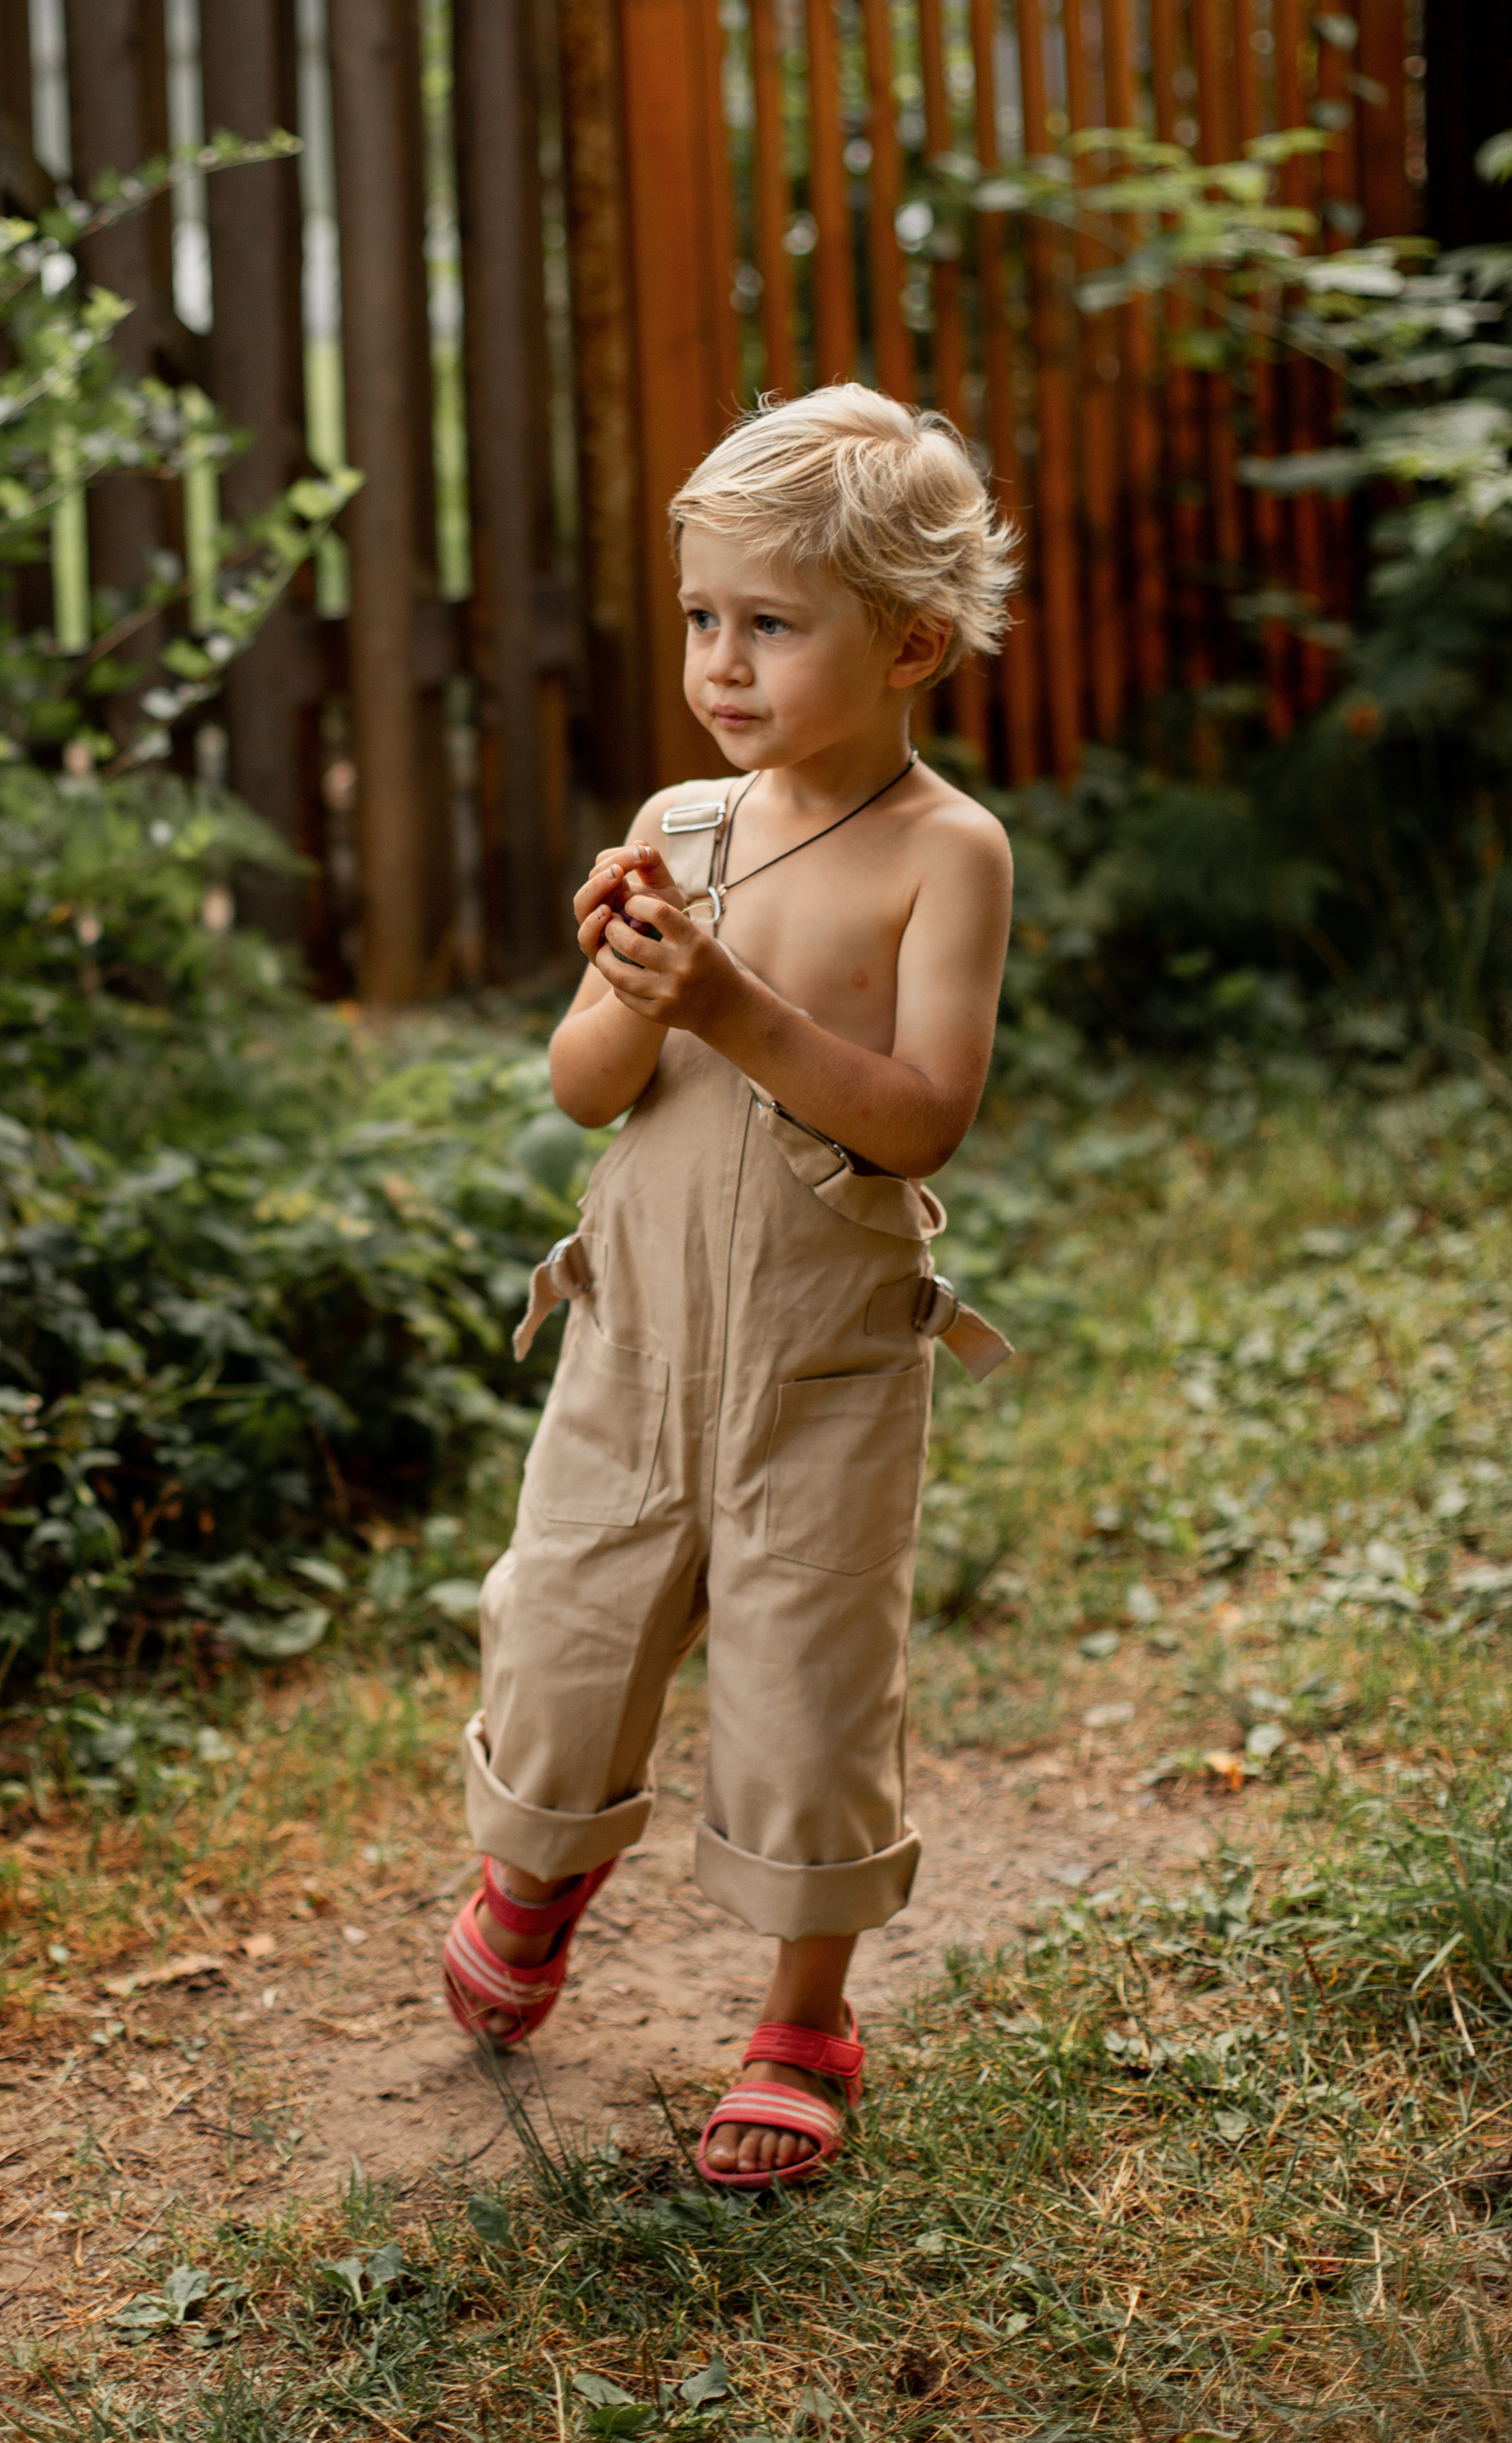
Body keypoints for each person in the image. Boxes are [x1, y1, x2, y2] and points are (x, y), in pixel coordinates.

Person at [441, 383, 1020, 2188]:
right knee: (565, 1629)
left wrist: (726, 1003)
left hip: (820, 1365)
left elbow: (919, 1119)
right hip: (632, 1340)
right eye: (703, 616)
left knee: (806, 1687)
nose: (719, 662)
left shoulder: (945, 853)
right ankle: (537, 1875)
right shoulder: (680, 824)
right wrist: (630, 993)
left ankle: (801, 2016)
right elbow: (581, 1087)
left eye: (771, 623)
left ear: (909, 642)